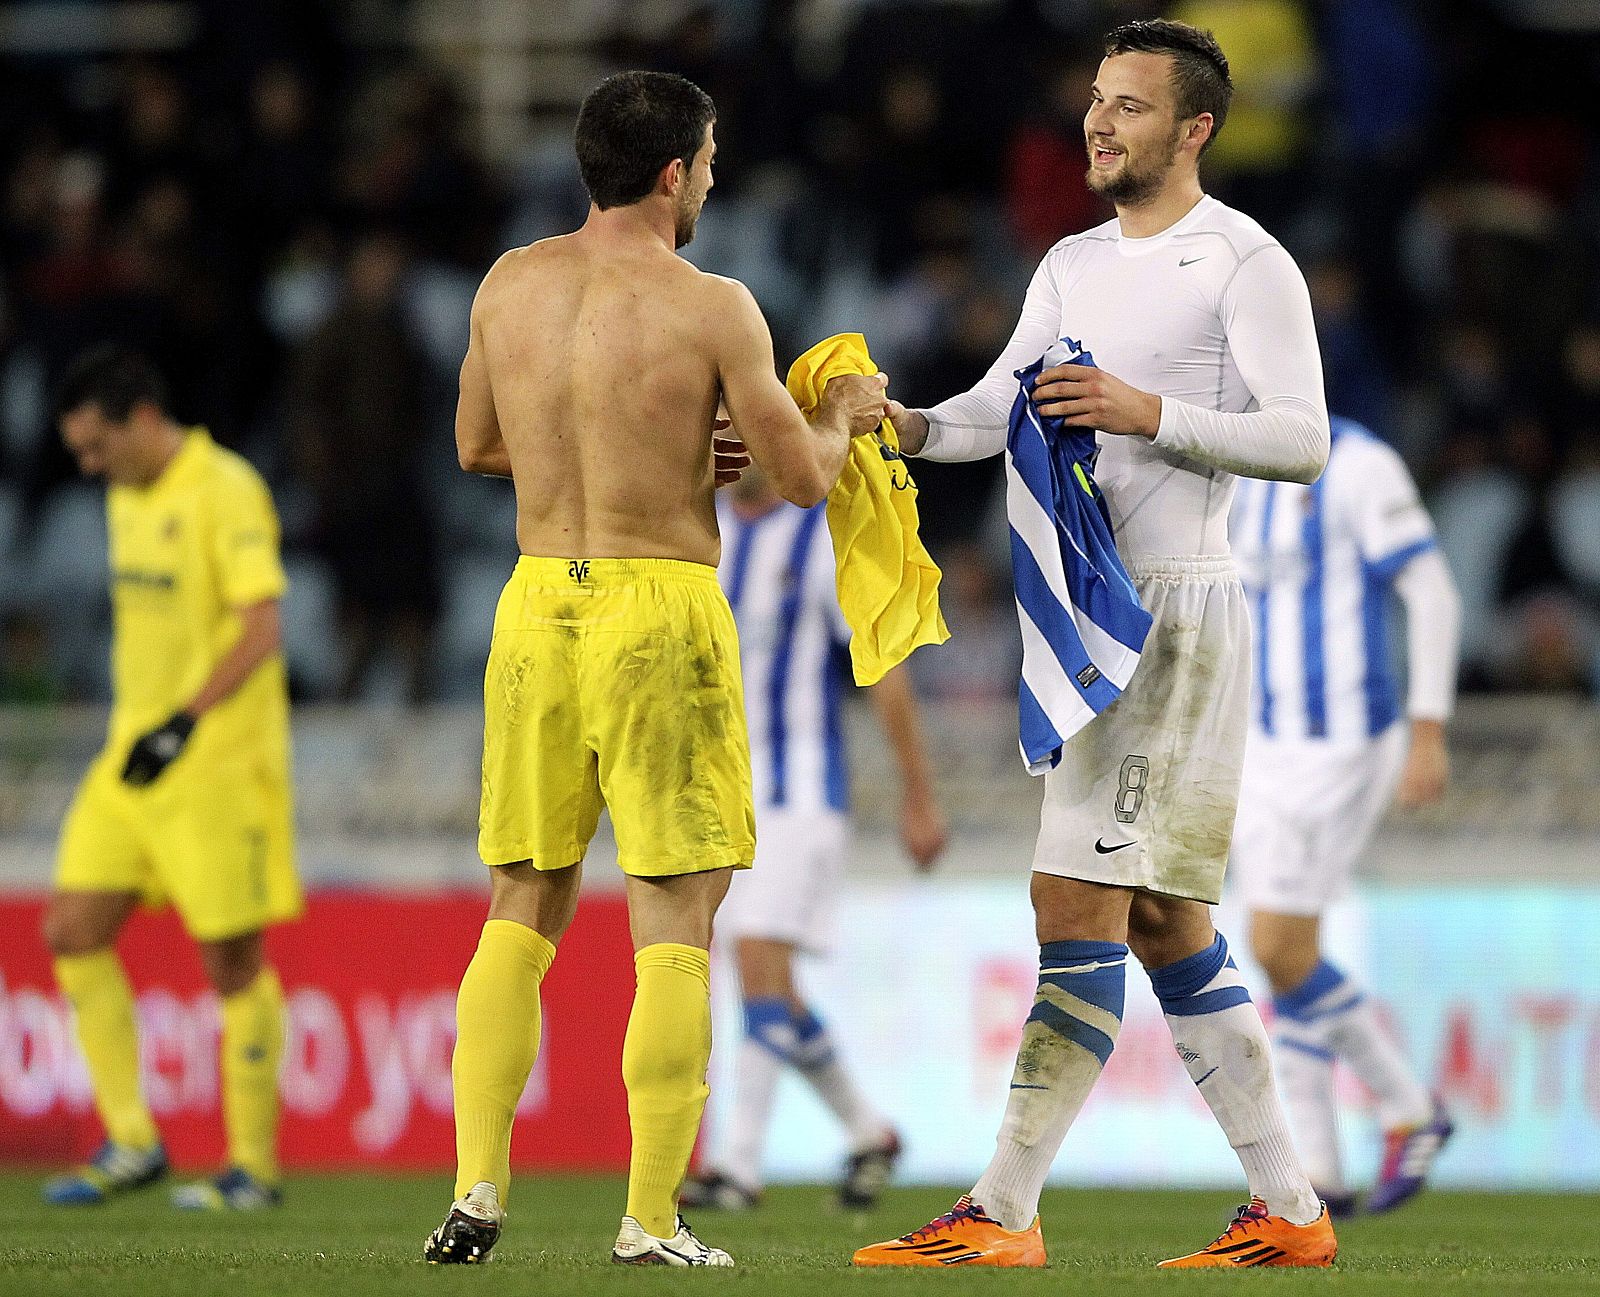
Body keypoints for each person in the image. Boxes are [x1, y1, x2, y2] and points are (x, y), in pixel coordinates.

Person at [854, 20, 1337, 1270]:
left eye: (1128, 106)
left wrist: (1148, 413)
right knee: (1167, 921)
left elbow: (1302, 439)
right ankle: (1288, 1207)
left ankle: (1002, 1212)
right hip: (1102, 602)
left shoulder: (1243, 261)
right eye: (1095, 102)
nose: (1099, 124)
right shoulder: (1068, 263)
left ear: (1194, 130)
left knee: (1073, 898)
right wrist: (898, 424)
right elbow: (992, 408)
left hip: (1169, 611)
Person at [422, 71, 890, 1268]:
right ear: (675, 171)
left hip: (533, 604)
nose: (716, 175)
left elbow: (478, 442)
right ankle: (649, 1216)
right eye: (712, 157)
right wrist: (840, 407)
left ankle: (476, 1188)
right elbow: (800, 478)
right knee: (674, 915)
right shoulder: (714, 304)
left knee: (519, 903)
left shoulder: (507, 284)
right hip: (660, 606)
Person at [41, 344, 301, 1211]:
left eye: (97, 447)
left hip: (215, 762)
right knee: (73, 929)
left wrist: (184, 721)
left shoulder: (225, 489)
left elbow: (262, 627)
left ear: (142, 420)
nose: (89, 467)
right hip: (131, 758)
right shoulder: (127, 493)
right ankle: (132, 1141)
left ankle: (253, 1168)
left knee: (232, 965)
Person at [681, 464, 949, 1213]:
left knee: (759, 961)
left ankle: (736, 1167)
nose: (727, 446)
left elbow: (883, 673)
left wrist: (918, 795)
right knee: (770, 986)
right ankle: (870, 1132)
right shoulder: (705, 537)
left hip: (800, 792)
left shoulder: (825, 541)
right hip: (722, 797)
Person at [1230, 414, 1460, 1216]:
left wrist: (1429, 726)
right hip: (1259, 744)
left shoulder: (1361, 463)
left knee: (1278, 945)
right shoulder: (1234, 465)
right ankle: (1319, 1173)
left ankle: (1409, 1104)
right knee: (1284, 959)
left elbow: (1430, 590)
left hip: (1341, 742)